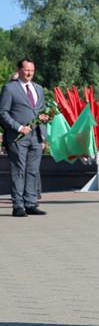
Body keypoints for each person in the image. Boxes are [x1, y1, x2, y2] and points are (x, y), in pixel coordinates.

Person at [0, 58, 49, 217]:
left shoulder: (38, 88)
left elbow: (41, 109)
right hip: (18, 137)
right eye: (27, 70)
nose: (30, 73)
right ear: (19, 69)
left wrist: (44, 118)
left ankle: (30, 203)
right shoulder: (9, 88)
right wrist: (19, 127)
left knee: (33, 171)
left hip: (36, 136)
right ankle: (18, 205)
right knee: (18, 170)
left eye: (32, 71)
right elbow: (2, 113)